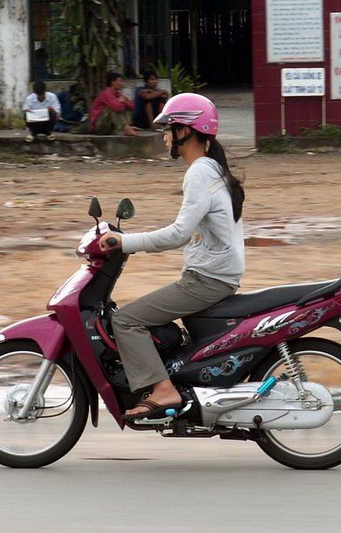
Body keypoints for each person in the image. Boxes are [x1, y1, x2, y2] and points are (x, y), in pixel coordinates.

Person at [98, 94, 246, 420]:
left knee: (125, 320)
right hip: (215, 275)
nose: (165, 136)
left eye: (169, 128)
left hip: (207, 280)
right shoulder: (213, 170)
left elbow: (178, 234)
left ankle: (163, 390)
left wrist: (124, 242)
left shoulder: (199, 173)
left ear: (186, 131)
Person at [90, 72, 139, 136]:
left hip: (110, 126)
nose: (121, 83)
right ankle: (126, 128)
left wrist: (123, 102)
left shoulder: (118, 94)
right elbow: (118, 108)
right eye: (119, 81)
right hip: (99, 126)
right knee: (113, 108)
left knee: (125, 106)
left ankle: (127, 126)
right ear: (112, 82)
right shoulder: (106, 94)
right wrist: (120, 102)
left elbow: (132, 106)